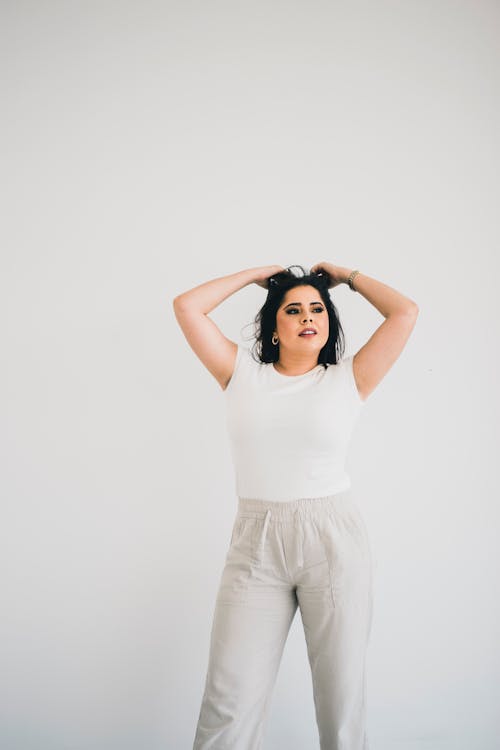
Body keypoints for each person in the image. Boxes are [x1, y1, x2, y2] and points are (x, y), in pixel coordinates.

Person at [173, 263, 418, 750]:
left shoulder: (349, 378)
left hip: (332, 540)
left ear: (328, 322)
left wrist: (346, 277)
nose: (308, 316)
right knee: (228, 700)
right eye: (293, 309)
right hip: (255, 542)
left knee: (340, 702)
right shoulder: (240, 373)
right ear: (274, 327)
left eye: (317, 309)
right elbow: (186, 306)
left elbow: (405, 312)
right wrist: (252, 277)